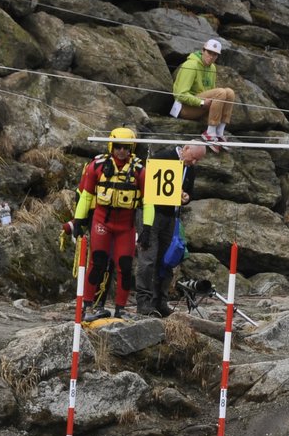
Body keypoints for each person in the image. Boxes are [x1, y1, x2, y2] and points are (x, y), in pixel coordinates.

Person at [72, 127, 145, 318]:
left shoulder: (140, 170)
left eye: (126, 147)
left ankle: (121, 309)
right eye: (119, 146)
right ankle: (88, 306)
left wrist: (148, 227)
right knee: (97, 263)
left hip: (126, 227)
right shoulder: (96, 166)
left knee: (125, 266)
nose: (122, 150)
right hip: (101, 222)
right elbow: (86, 196)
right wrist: (78, 220)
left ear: (132, 148)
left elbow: (148, 202)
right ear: (112, 146)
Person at [135, 140, 205, 317]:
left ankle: (160, 301)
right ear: (186, 148)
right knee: (148, 258)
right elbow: (149, 187)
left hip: (171, 217)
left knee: (167, 260)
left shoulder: (190, 169)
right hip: (152, 213)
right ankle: (143, 301)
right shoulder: (162, 157)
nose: (194, 162)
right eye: (193, 158)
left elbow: (189, 192)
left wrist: (186, 196)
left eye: (198, 160)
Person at [170, 38, 237, 150]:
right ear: (203, 50)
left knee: (229, 92)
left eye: (215, 55)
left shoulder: (212, 68)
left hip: (201, 107)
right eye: (209, 52)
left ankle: (219, 132)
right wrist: (201, 102)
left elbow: (210, 92)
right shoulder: (191, 65)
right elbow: (179, 94)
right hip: (185, 109)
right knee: (220, 92)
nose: (211, 57)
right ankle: (210, 133)